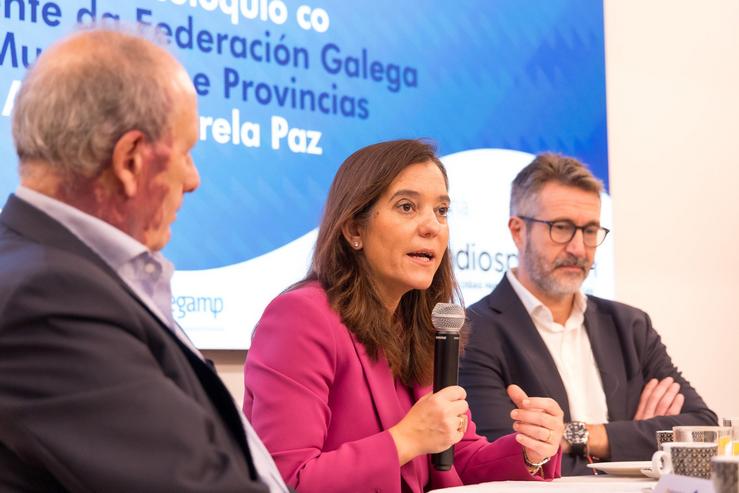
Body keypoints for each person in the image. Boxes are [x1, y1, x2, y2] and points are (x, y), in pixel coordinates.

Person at [0, 27, 287, 492]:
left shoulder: (67, 273)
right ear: (131, 160)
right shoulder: (47, 297)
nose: (193, 181)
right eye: (187, 153)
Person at [243, 140, 565, 493]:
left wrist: (531, 450)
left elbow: (458, 459)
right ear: (354, 230)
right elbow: (288, 480)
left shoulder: (425, 326)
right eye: (407, 206)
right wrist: (405, 440)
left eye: (441, 211)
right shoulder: (300, 318)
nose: (432, 227)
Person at [459, 153, 717, 475]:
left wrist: (578, 435)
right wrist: (633, 438)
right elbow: (504, 459)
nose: (579, 248)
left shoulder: (630, 326)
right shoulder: (474, 332)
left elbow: (703, 431)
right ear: (517, 231)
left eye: (591, 231)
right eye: (562, 228)